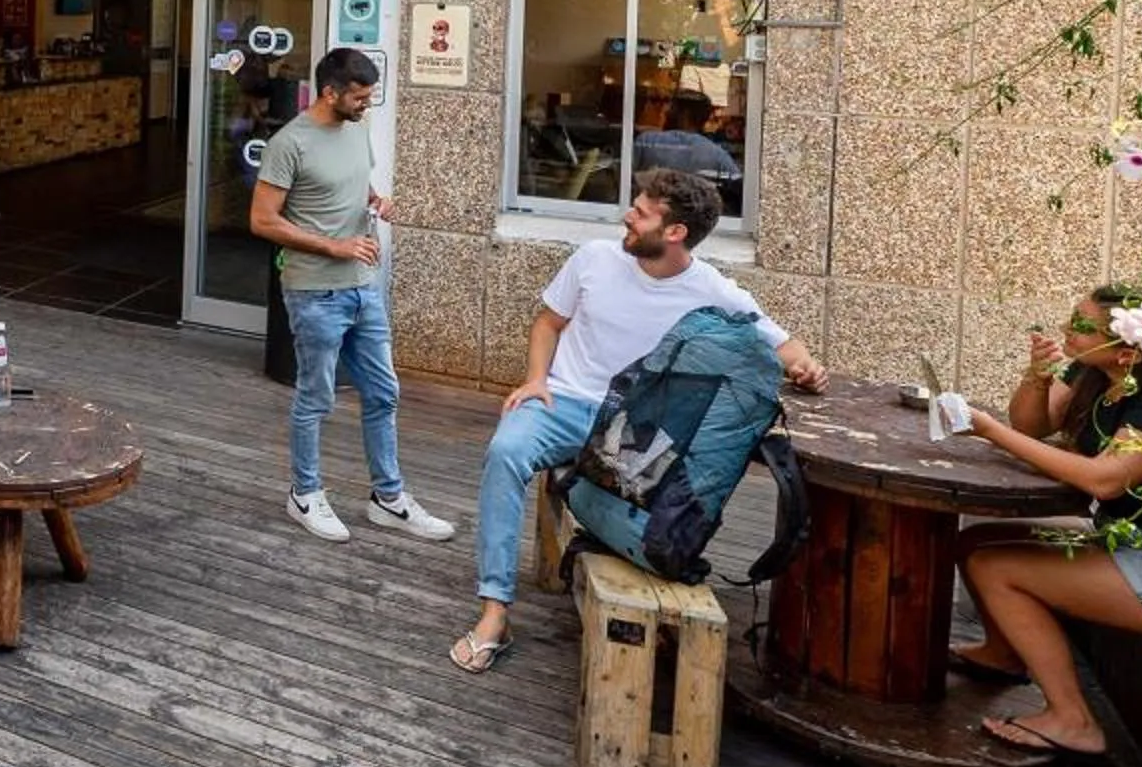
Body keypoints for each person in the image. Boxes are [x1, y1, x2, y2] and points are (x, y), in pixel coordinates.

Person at [450, 168, 827, 673]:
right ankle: (495, 610)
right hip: (563, 402)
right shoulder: (594, 259)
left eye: (642, 212)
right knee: (504, 453)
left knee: (666, 508)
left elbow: (783, 344)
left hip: (631, 431)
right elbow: (548, 321)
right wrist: (536, 378)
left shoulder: (711, 288)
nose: (627, 215)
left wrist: (806, 369)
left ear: (675, 233)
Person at [937, 287, 1142, 761]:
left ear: (1127, 350)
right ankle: (1003, 652)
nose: (1066, 331)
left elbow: (1107, 481)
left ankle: (1073, 720)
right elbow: (1033, 423)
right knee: (979, 540)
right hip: (1139, 544)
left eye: (1080, 326)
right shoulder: (1098, 371)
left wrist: (991, 431)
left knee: (996, 567)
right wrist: (1038, 377)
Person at [253, 46, 456, 545]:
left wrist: (375, 201)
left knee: (384, 394)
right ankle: (304, 493)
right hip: (314, 292)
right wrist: (334, 245)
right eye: (360, 97)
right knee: (316, 396)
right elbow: (261, 220)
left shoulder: (357, 130)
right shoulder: (290, 143)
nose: (367, 105)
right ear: (330, 92)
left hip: (364, 288)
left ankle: (388, 498)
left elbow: (353, 184)